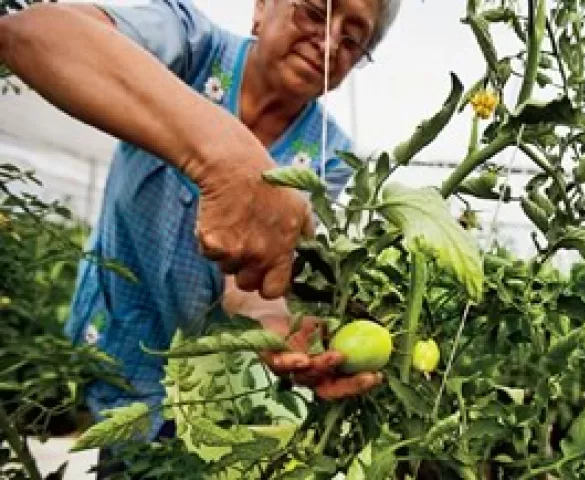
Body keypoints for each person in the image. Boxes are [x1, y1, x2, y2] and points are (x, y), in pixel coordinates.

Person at [0, 0, 399, 442]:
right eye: (313, 11)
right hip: (112, 335)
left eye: (352, 39)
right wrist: (221, 155)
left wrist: (273, 324)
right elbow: (34, 34)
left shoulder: (329, 154)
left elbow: (250, 280)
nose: (328, 43)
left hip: (198, 384)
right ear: (262, 7)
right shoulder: (191, 46)